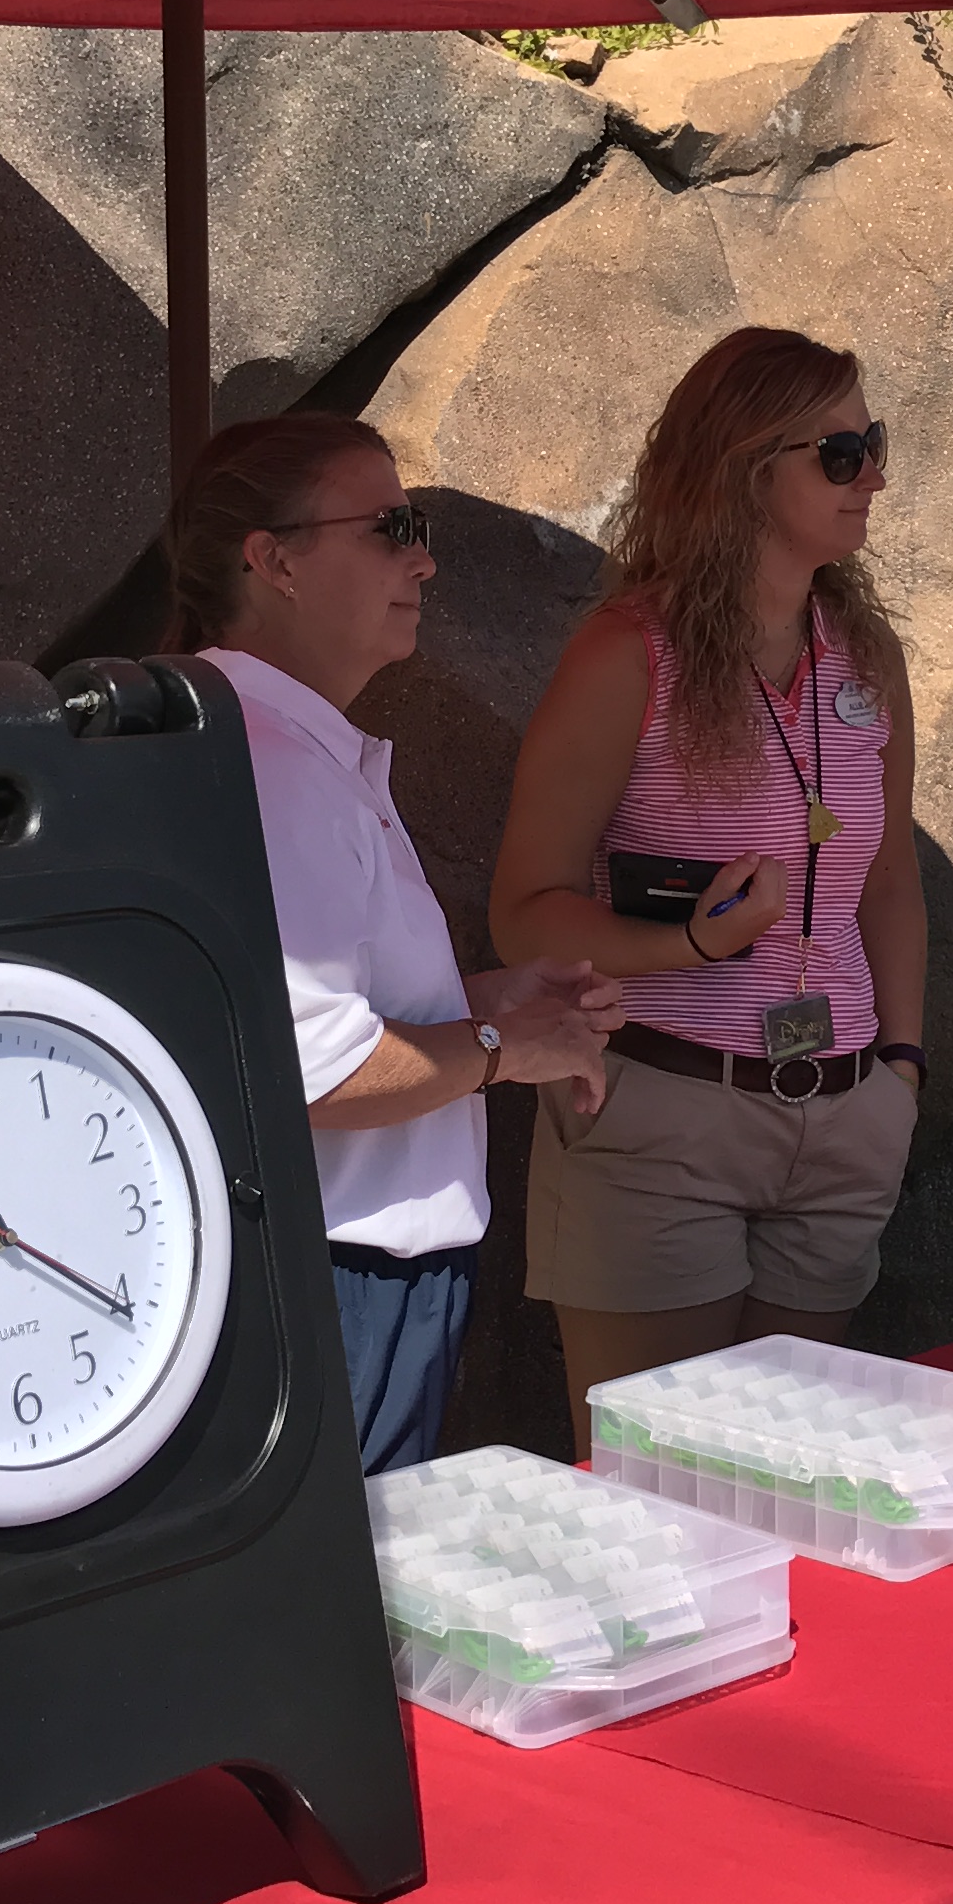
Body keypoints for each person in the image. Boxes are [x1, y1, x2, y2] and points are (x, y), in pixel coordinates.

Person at [491, 328, 926, 1440]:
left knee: (792, 1480)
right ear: (745, 466)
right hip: (666, 1117)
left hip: (841, 1115)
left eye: (872, 443)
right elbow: (525, 908)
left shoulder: (865, 654)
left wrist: (903, 1071)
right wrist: (691, 947)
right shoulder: (627, 654)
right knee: (656, 1485)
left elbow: (888, 881)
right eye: (843, 453)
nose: (876, 474)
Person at [174, 412, 621, 1474]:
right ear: (274, 560)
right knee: (351, 1610)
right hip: (340, 1276)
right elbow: (316, 1070)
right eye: (390, 527)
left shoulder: (272, 742)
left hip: (333, 1266)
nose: (423, 558)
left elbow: (301, 1011)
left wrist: (494, 1000)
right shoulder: (275, 767)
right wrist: (514, 1049)